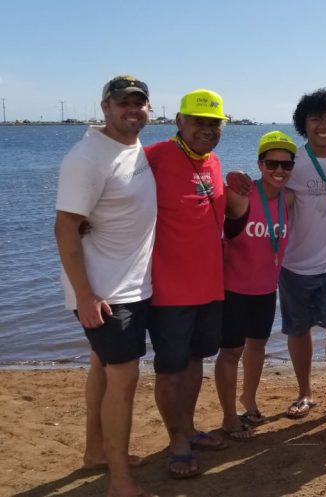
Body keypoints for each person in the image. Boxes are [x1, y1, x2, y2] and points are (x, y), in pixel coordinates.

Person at [229, 89, 326, 422]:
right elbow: (264, 188)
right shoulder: (292, 162)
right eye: (315, 119)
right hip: (293, 265)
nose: (323, 125)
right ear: (303, 124)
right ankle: (304, 394)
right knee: (298, 330)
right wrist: (237, 179)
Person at [54, 75, 155, 497]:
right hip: (106, 293)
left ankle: (96, 453)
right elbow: (65, 228)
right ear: (105, 107)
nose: (132, 109)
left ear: (149, 108)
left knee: (102, 366)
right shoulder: (87, 157)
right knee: (124, 379)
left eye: (139, 102)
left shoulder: (134, 150)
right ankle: (121, 483)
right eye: (123, 102)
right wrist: (85, 295)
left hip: (132, 283)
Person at [145, 89, 229, 478]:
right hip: (169, 288)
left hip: (210, 286)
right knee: (170, 369)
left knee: (197, 360)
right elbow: (112, 195)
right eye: (199, 122)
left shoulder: (214, 162)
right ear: (179, 121)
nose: (207, 130)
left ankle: (189, 428)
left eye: (214, 124)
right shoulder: (154, 157)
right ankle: (176, 441)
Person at [214, 131, 297, 438]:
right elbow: (203, 198)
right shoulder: (239, 195)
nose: (279, 170)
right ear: (260, 164)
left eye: (286, 165)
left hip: (266, 290)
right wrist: (230, 175)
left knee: (257, 346)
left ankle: (248, 399)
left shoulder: (289, 198)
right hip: (234, 290)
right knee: (231, 352)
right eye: (272, 164)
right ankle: (228, 417)